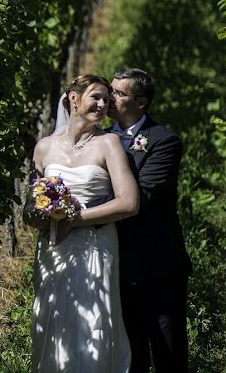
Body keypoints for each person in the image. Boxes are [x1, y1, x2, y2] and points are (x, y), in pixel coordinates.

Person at [23, 74, 139, 372]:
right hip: (53, 249)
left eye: (106, 100)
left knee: (92, 324)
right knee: (53, 318)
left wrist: (74, 220)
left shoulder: (108, 143)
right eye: (96, 97)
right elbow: (29, 209)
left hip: (94, 246)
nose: (103, 105)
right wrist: (40, 213)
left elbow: (128, 202)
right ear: (73, 98)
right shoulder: (44, 148)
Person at [108, 68, 192, 373]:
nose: (110, 97)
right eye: (111, 89)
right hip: (115, 266)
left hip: (157, 267)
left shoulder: (163, 141)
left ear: (140, 102)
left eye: (119, 93)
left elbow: (141, 199)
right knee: (129, 359)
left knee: (168, 354)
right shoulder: (100, 138)